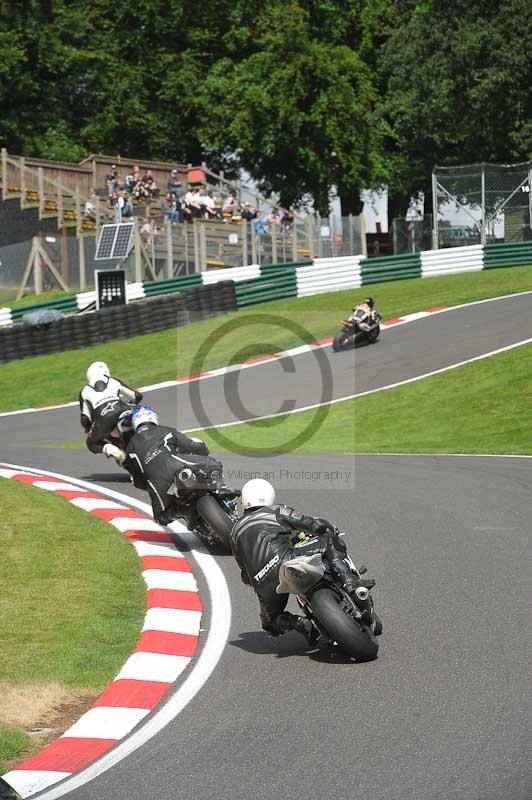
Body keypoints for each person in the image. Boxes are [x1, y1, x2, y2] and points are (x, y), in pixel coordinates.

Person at [231, 479, 374, 644]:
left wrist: (258, 579)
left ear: (244, 501)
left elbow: (243, 571)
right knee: (329, 539)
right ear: (270, 495)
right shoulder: (276, 510)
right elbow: (310, 523)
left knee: (270, 622)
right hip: (287, 560)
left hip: (262, 583)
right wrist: (325, 527)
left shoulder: (234, 531)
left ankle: (301, 624)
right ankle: (350, 581)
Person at [123, 406, 210, 524]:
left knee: (160, 517)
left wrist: (150, 484)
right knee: (211, 464)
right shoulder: (166, 430)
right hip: (178, 465)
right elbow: (192, 446)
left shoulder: (129, 448)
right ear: (154, 417)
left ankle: (181, 511)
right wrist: (203, 449)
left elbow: (137, 481)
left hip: (157, 484)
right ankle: (222, 490)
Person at [79, 362, 143, 464]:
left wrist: (88, 427)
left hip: (103, 418)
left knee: (91, 443)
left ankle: (116, 452)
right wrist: (132, 403)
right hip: (123, 409)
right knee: (140, 420)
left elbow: (85, 418)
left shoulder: (84, 391)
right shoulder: (114, 381)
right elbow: (137, 396)